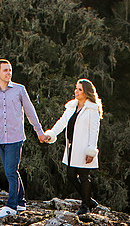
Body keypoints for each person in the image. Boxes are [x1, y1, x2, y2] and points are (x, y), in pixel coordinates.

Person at [0, 59, 47, 218]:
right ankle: (21, 203)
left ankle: (11, 206)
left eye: (10, 70)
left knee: (10, 171)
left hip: (15, 137)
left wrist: (39, 131)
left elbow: (30, 112)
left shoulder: (19, 90)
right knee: (11, 171)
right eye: (5, 70)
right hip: (0, 138)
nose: (9, 73)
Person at [43, 79, 102, 215]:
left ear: (87, 92)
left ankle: (85, 206)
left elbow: (94, 131)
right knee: (70, 175)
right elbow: (61, 122)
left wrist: (91, 151)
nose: (76, 91)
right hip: (71, 148)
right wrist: (50, 134)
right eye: (76, 88)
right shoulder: (71, 107)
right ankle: (88, 200)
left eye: (80, 89)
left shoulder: (92, 109)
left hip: (84, 148)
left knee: (83, 176)